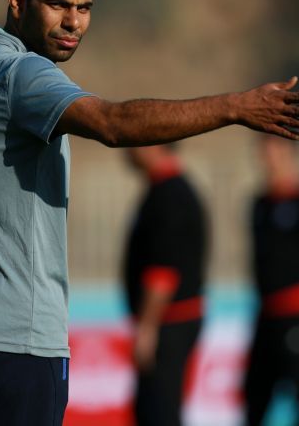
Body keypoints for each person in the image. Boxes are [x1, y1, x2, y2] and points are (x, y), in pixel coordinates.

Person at [0, 0, 299, 426]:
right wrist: (235, 107)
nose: (73, 22)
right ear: (18, 1)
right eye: (58, 4)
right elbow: (113, 123)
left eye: (84, 8)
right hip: (11, 341)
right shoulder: (23, 73)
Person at [242, 136, 299, 426]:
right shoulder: (260, 204)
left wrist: (298, 289)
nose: (268, 156)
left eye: (274, 149)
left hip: (296, 314)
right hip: (266, 313)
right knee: (255, 395)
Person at [123, 144, 208, 426]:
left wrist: (148, 327)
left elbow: (163, 271)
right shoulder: (163, 190)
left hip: (168, 323)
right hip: (166, 323)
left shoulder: (170, 195)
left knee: (159, 412)